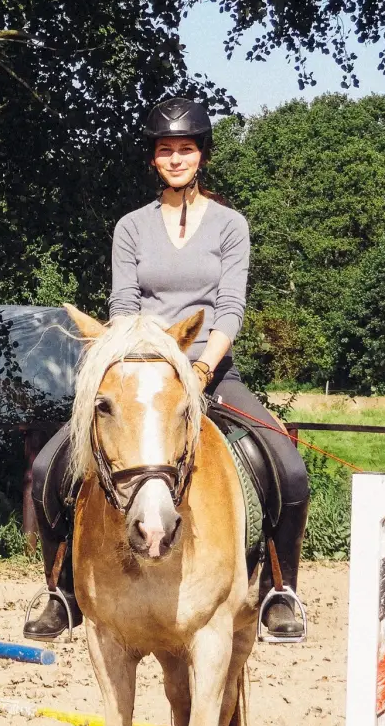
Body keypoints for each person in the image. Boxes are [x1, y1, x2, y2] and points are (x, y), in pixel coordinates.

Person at [22, 98, 310, 642]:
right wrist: (135, 365)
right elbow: (124, 304)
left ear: (202, 156)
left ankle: (280, 589)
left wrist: (200, 367)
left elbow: (230, 308)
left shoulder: (230, 226)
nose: (176, 158)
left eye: (186, 149)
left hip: (209, 369)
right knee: (47, 467)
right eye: (165, 150)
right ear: (153, 159)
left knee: (288, 467)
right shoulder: (131, 227)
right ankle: (62, 590)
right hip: (144, 373)